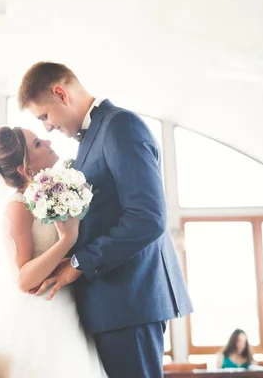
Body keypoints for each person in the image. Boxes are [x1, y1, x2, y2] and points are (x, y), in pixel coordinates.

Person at [17, 61, 194, 378]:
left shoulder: (120, 126)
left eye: (44, 116)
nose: (46, 127)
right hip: (111, 304)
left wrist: (76, 264)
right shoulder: (92, 137)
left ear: (61, 94)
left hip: (129, 301)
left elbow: (148, 217)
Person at [0, 126, 107, 377]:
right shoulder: (19, 206)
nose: (47, 139)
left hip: (69, 303)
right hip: (44, 314)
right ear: (26, 170)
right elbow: (24, 279)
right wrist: (66, 240)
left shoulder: (58, 192)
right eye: (38, 144)